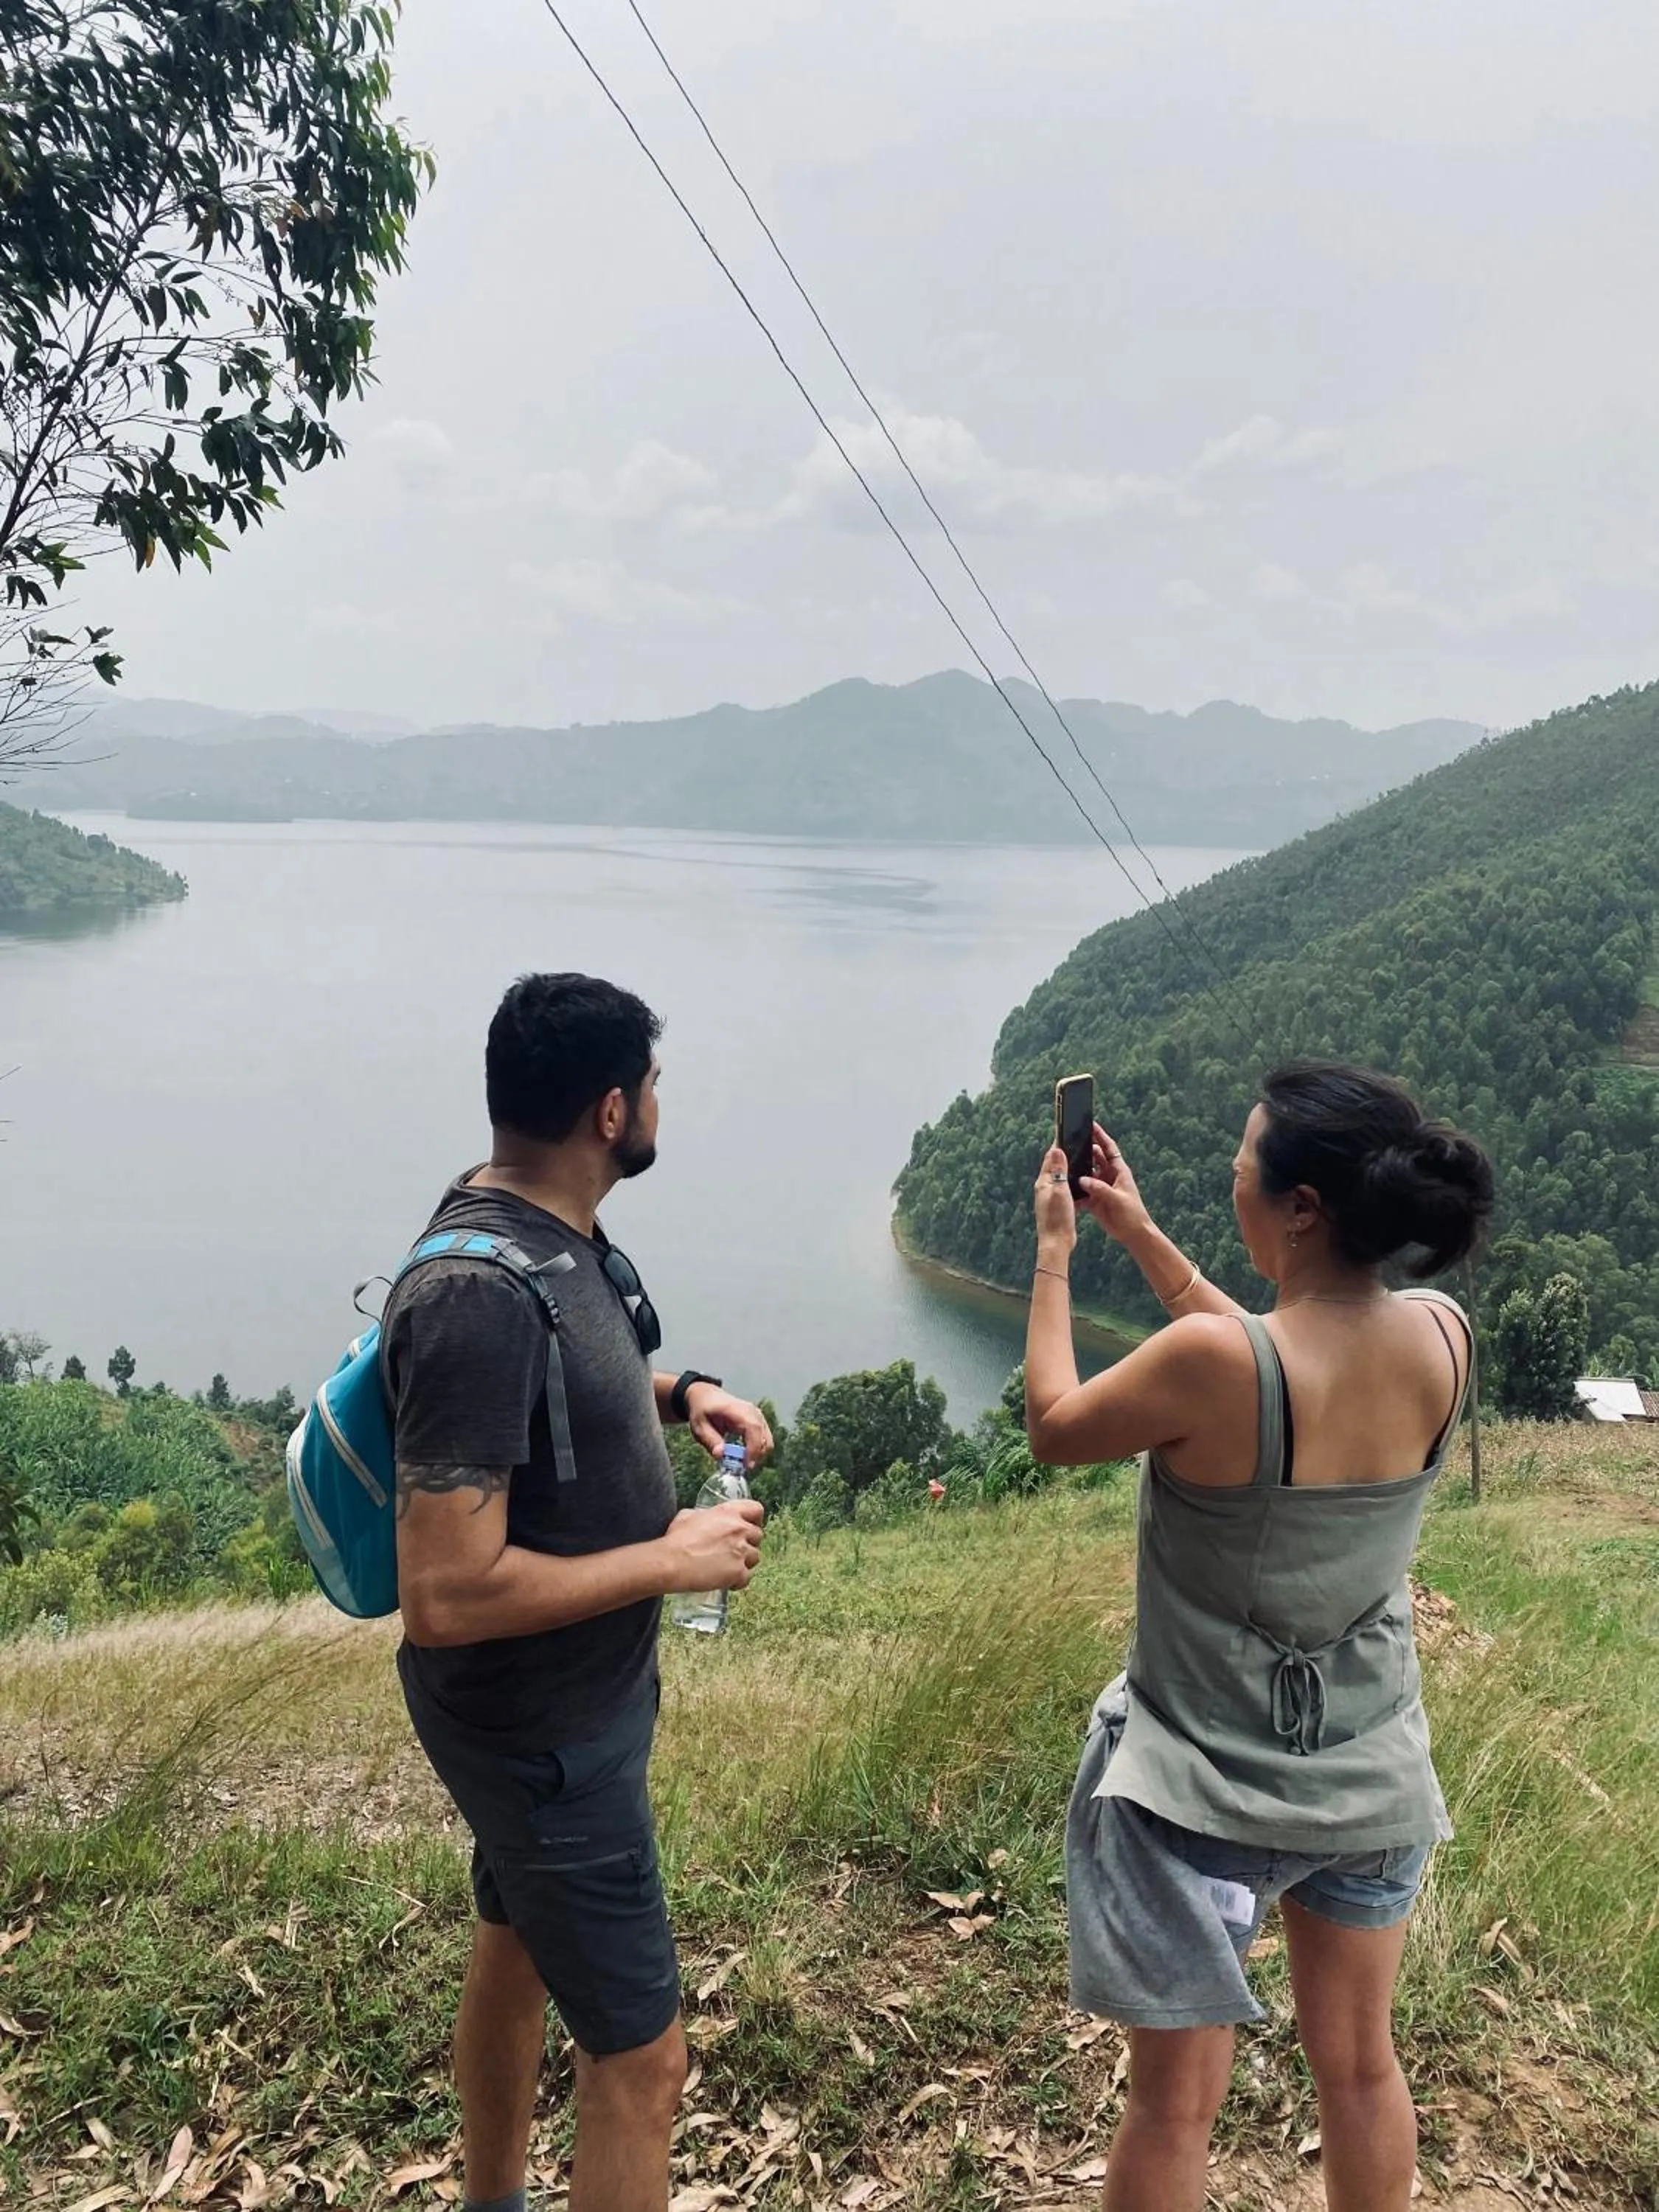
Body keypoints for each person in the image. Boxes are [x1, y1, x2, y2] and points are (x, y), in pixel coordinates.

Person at [1023, 1060, 1493, 2212]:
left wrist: (1054, 1254)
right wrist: (1143, 1237)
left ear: (1299, 1209)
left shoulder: (1210, 1368)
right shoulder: (1443, 1336)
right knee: (1360, 2068)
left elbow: (1051, 1427)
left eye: (1241, 1172)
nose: (1231, 1186)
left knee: (1173, 2109)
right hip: (1368, 1777)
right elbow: (1285, 1361)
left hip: (1203, 1792)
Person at [389, 973, 772, 2212]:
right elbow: (444, 1591)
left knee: (513, 1948)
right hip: (541, 1732)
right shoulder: (475, 1295)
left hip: (566, 1717)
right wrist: (674, 1559)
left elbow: (568, 1397)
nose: (661, 1103)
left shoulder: (554, 1228)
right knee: (644, 2062)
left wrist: (685, 1392)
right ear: (611, 1111)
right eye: (653, 1085)